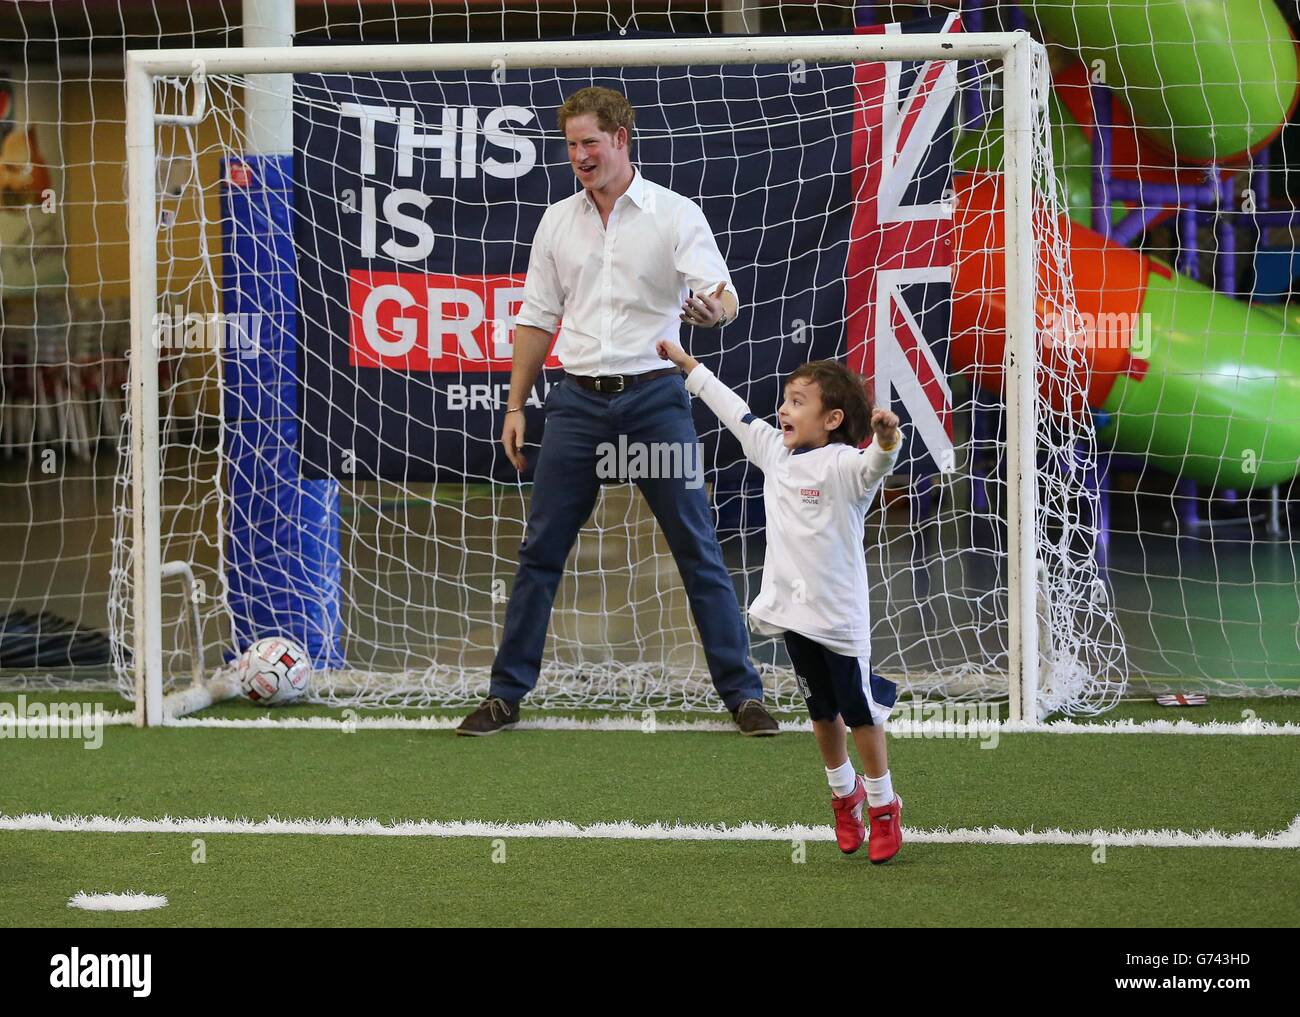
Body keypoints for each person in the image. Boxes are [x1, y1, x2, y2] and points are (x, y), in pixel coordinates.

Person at [457, 86, 779, 737]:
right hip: (576, 404)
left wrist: (714, 310)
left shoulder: (672, 213)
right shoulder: (557, 221)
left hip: (656, 399)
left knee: (697, 546)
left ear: (622, 139)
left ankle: (743, 694)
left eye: (590, 144)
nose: (580, 156)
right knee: (540, 549)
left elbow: (723, 295)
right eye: (572, 145)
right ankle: (504, 695)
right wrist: (516, 404)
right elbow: (536, 318)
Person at [655, 340, 905, 863]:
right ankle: (844, 797)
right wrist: (688, 366)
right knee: (820, 712)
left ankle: (883, 805)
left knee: (860, 713)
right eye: (785, 399)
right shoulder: (774, 451)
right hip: (794, 617)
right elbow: (732, 410)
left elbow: (875, 466)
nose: (783, 410)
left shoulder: (844, 466)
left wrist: (886, 440)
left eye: (797, 402)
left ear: (832, 418)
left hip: (839, 620)